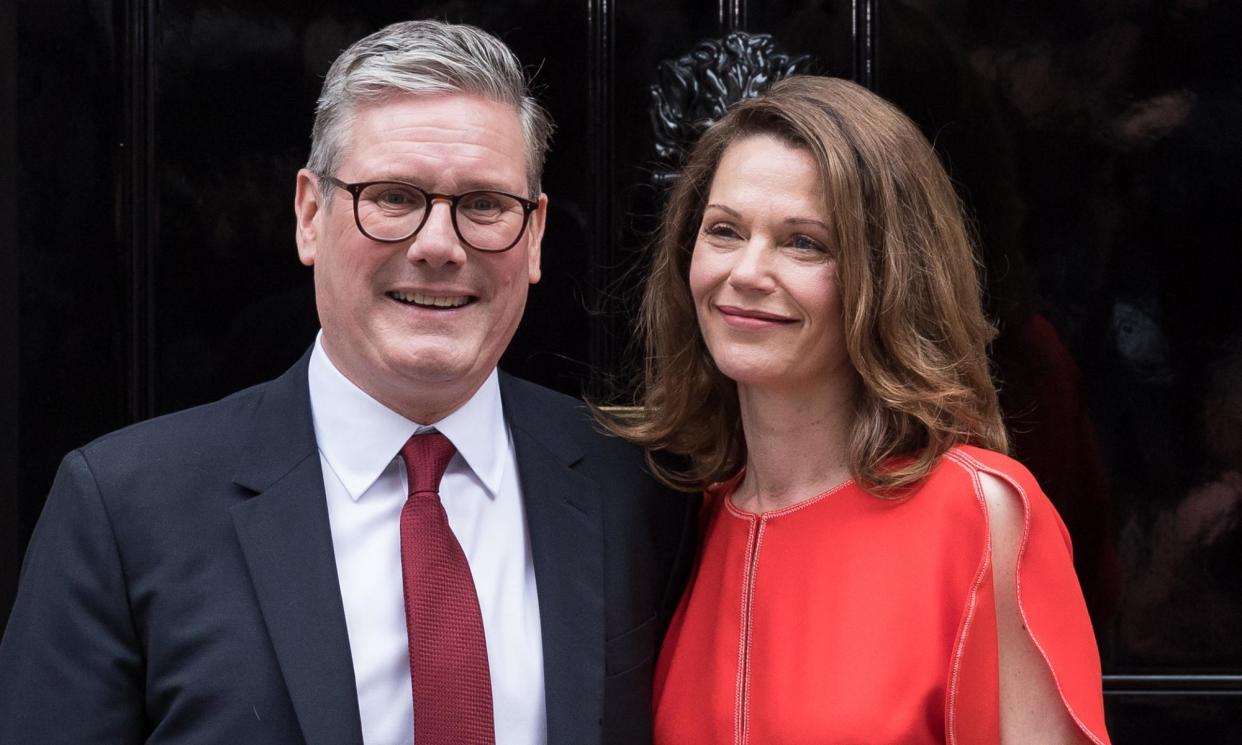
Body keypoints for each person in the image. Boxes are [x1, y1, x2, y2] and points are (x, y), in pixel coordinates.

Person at [0, 20, 696, 745]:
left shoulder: (636, 490)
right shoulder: (123, 509)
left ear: (535, 235)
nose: (437, 246)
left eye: (485, 204)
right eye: (393, 197)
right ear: (309, 214)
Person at [602, 76, 1112, 744]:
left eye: (803, 242)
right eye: (724, 230)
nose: (748, 271)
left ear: (888, 272)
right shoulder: (682, 521)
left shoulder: (980, 513)